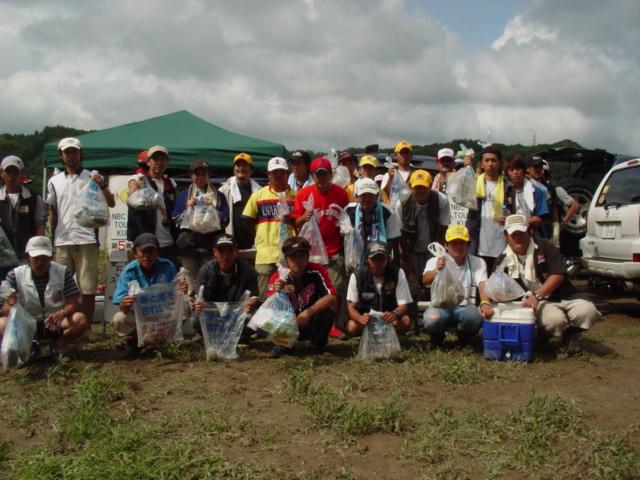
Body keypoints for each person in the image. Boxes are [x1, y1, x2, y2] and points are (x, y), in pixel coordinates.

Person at [493, 214, 600, 342]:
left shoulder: (545, 246)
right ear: (506, 236)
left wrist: (537, 296)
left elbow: (558, 274)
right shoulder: (502, 260)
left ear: (529, 232)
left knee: (588, 312)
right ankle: (544, 336)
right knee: (555, 320)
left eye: (521, 233)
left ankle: (569, 335)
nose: (518, 238)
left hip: (563, 294)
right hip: (538, 303)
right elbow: (495, 287)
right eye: (513, 234)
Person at [47, 137, 115, 324]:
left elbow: (111, 202)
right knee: (61, 288)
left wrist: (101, 184)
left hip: (87, 238)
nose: (71, 156)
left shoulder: (93, 176)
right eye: (67, 152)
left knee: (88, 287)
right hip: (62, 240)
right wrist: (52, 240)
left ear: (80, 154)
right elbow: (53, 212)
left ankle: (85, 327)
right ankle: (64, 324)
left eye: (74, 151)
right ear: (61, 155)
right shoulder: (53, 181)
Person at [0, 236, 89, 357]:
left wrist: (62, 313)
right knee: (2, 324)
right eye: (35, 258)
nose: (39, 263)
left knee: (80, 319)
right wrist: (11, 304)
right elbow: (4, 309)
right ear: (28, 258)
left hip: (54, 323)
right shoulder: (14, 275)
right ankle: (26, 346)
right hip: (26, 323)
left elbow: (73, 303)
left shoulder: (63, 272)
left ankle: (60, 345)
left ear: (51, 257)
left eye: (44, 258)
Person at [293, 157, 349, 327]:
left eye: (325, 174)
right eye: (318, 175)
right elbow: (295, 223)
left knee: (337, 287)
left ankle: (336, 324)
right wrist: (304, 217)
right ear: (313, 175)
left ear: (331, 175)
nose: (321, 178)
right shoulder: (303, 194)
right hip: (310, 251)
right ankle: (313, 322)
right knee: (311, 289)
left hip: (333, 248)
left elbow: (347, 219)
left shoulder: (341, 193)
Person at [111, 233, 187, 353]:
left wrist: (180, 290)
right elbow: (120, 304)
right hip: (139, 317)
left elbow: (175, 295)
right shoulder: (129, 271)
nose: (147, 256)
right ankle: (136, 338)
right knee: (119, 318)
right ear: (135, 254)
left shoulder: (167, 266)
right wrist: (124, 303)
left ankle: (151, 340)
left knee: (186, 305)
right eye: (143, 252)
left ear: (157, 253)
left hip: (162, 315)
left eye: (151, 251)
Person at [422, 225, 493, 345]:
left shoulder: (478, 262)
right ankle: (437, 337)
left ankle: (464, 337)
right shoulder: (434, 261)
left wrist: (485, 302)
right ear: (446, 245)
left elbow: (482, 284)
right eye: (454, 243)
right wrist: (436, 270)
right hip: (440, 306)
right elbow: (425, 280)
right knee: (430, 320)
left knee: (474, 317)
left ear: (468, 245)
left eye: (462, 243)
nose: (458, 247)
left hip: (465, 306)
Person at [267, 237, 336, 357]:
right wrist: (277, 292)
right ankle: (283, 344)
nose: (297, 260)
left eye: (301, 256)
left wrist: (308, 312)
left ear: (308, 257)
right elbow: (269, 308)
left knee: (328, 312)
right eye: (293, 257)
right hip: (288, 323)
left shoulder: (317, 271)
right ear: (286, 260)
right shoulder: (278, 277)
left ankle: (317, 344)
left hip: (309, 321)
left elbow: (331, 297)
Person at [242, 157, 296, 299]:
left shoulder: (296, 196)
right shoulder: (258, 195)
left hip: (290, 254)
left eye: (281, 172)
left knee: (289, 293)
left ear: (287, 173)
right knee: (264, 296)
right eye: (274, 172)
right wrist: (257, 234)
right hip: (265, 254)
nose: (278, 176)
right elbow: (246, 218)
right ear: (268, 174)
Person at [172, 159, 229, 295]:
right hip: (189, 246)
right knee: (191, 282)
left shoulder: (219, 196)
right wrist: (187, 208)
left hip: (210, 246)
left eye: (203, 174)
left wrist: (213, 209)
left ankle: (207, 308)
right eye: (196, 174)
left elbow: (225, 220)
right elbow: (175, 220)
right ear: (191, 176)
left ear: (208, 175)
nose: (200, 177)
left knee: (209, 279)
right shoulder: (184, 196)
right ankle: (192, 311)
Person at [192, 234, 259, 339]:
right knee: (195, 319)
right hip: (213, 314)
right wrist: (199, 304)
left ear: (236, 252)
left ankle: (220, 335)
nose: (225, 256)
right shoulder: (206, 271)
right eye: (221, 252)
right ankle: (233, 336)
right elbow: (199, 298)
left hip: (236, 315)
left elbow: (255, 296)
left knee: (255, 319)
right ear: (214, 253)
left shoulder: (248, 271)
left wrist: (251, 303)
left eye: (229, 252)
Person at [345, 241, 412, 337]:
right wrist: (360, 318)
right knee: (351, 326)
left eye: (382, 259)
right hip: (367, 321)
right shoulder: (356, 276)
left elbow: (404, 305)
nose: (378, 263)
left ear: (388, 259)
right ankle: (367, 337)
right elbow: (351, 308)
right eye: (374, 259)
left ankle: (390, 337)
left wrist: (394, 314)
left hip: (389, 321)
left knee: (406, 321)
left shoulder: (398, 273)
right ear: (367, 260)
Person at [126, 145, 179, 263]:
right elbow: (131, 199)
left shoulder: (171, 183)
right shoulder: (139, 179)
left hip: (168, 241)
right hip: (146, 243)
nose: (159, 163)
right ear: (148, 162)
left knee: (167, 279)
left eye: (163, 159)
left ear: (167, 163)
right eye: (155, 159)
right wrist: (138, 191)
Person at [465, 145, 512, 273]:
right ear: (481, 164)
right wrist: (466, 168)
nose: (490, 164)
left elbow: (515, 211)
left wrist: (509, 218)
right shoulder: (473, 184)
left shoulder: (508, 186)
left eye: (494, 160)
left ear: (500, 163)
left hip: (501, 242)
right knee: (480, 283)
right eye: (486, 160)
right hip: (478, 242)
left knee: (499, 284)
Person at [399, 169, 450, 285]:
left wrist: (439, 252)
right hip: (411, 247)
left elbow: (444, 227)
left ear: (430, 186)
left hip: (433, 245)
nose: (420, 191)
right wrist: (408, 259)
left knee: (434, 280)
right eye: (417, 188)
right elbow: (400, 233)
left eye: (423, 187)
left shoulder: (442, 200)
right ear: (411, 187)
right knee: (412, 282)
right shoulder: (402, 203)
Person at [0, 155, 47, 280]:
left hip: (26, 257)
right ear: (1, 173)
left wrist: (37, 253)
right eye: (8, 171)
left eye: (15, 171)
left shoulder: (34, 198)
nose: (11, 175)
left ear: (22, 173)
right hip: (2, 258)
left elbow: (40, 225)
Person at [345, 178, 402, 267]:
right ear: (356, 196)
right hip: (355, 260)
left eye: (371, 195)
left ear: (377, 196)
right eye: (364, 195)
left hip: (380, 261)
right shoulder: (349, 211)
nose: (367, 199)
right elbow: (345, 238)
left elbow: (393, 240)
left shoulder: (388, 212)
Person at [526, 157, 579, 246]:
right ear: (528, 169)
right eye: (536, 167)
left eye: (541, 168)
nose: (540, 171)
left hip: (545, 227)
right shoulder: (523, 185)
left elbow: (554, 210)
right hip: (528, 226)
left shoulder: (551, 188)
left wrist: (558, 227)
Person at [219, 152, 261, 251]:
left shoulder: (259, 191)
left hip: (254, 242)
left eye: (245, 165)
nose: (241, 168)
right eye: (238, 165)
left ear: (251, 170)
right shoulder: (223, 190)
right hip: (231, 243)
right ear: (233, 169)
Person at [505, 155, 549, 233]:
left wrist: (524, 221)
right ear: (507, 173)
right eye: (511, 170)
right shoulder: (506, 192)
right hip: (513, 234)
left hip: (533, 233)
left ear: (524, 170)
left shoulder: (536, 191)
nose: (515, 173)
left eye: (518, 169)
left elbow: (541, 218)